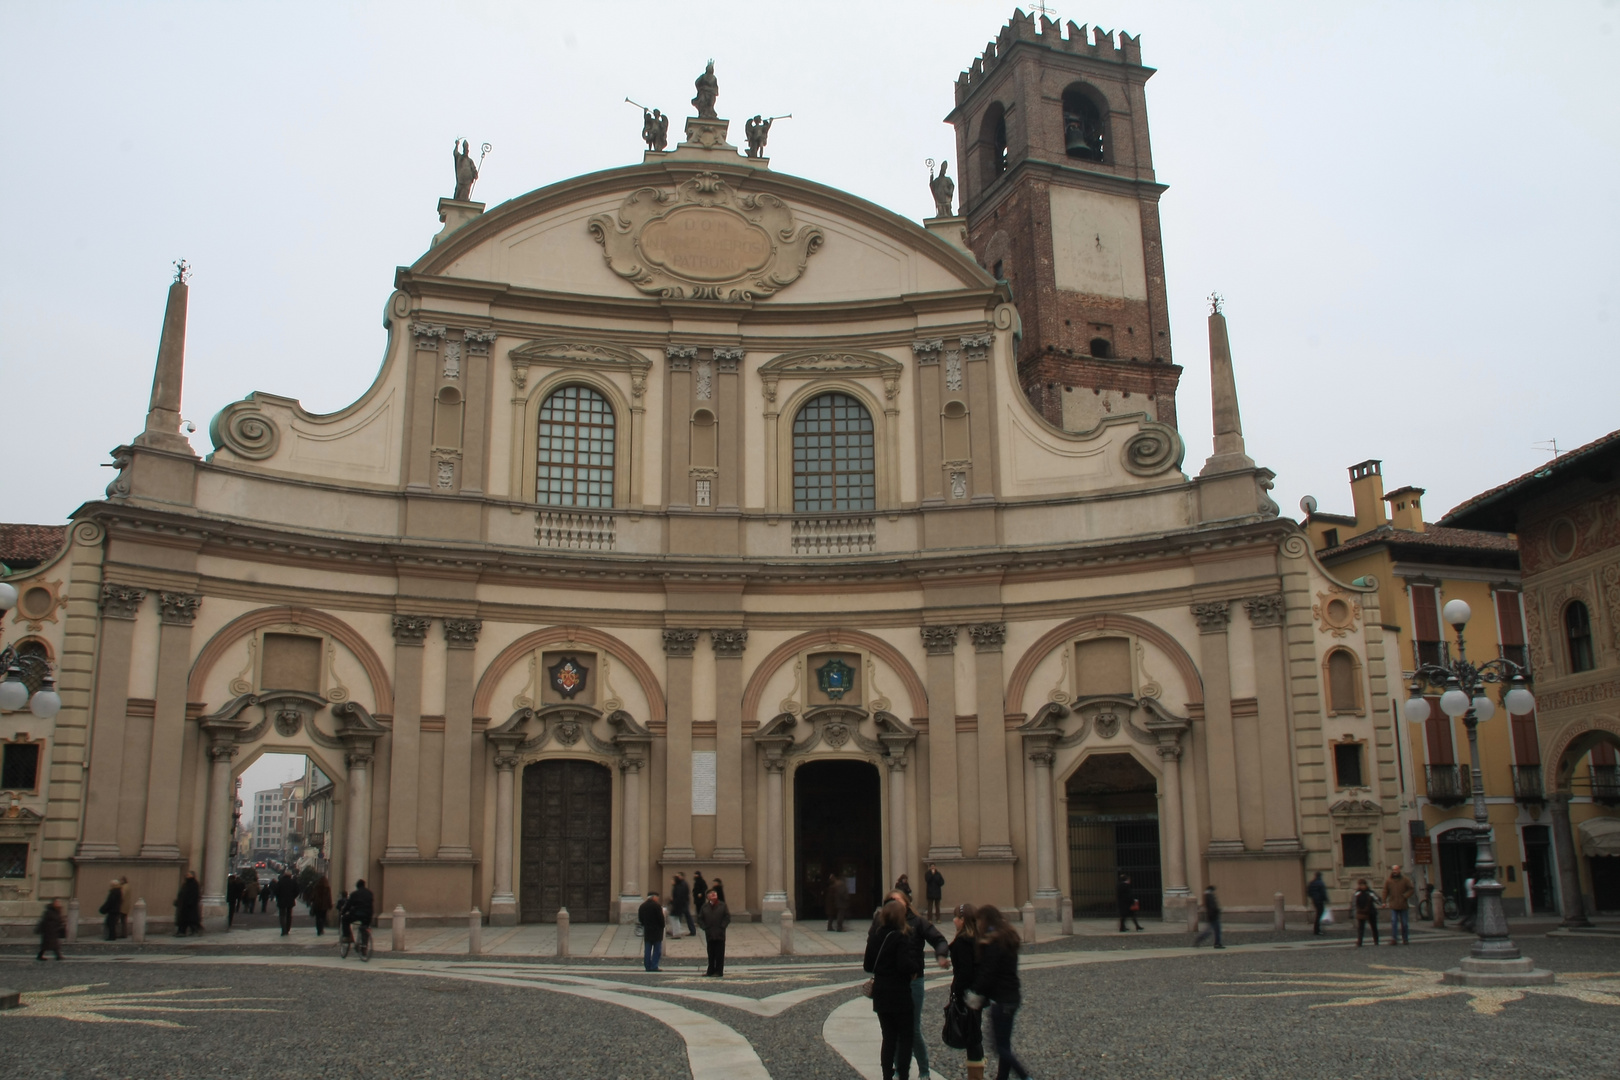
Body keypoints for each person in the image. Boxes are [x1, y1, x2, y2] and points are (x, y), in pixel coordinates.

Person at [887, 888, 950, 1080]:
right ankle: (899, 1069)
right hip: (893, 982)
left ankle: (924, 1071)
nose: (896, 904)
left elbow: (939, 940)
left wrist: (941, 955)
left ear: (907, 902)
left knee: (913, 1028)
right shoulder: (885, 923)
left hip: (914, 981)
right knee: (896, 1029)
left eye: (898, 900)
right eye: (892, 901)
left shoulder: (918, 922)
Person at [965, 905, 1030, 1080]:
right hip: (1012, 996)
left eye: (979, 920)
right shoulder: (1007, 939)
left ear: (985, 920)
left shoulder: (993, 943)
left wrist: (975, 993)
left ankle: (1025, 1077)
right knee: (1003, 1045)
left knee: (1000, 1047)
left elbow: (988, 972)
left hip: (1001, 999)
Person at [865, 899, 920, 1080]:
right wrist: (915, 968)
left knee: (888, 1037)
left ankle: (886, 1075)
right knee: (905, 1037)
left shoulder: (875, 936)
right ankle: (903, 1074)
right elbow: (904, 965)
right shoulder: (899, 937)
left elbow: (868, 965)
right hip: (899, 993)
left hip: (881, 992)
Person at [948, 903, 986, 1080]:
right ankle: (976, 1073)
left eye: (956, 917)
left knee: (972, 1037)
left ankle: (976, 1076)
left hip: (968, 995)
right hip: (978, 993)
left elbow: (964, 972)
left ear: (962, 921)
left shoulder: (963, 943)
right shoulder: (978, 938)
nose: (954, 920)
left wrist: (958, 993)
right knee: (974, 1034)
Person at [697, 888, 729, 977]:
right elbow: (700, 919)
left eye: (715, 893)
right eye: (711, 893)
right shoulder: (705, 907)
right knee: (711, 953)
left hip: (720, 933)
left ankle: (719, 971)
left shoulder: (722, 905)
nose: (714, 894)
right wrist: (704, 927)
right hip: (710, 933)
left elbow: (727, 917)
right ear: (708, 897)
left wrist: (722, 926)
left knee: (719, 953)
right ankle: (710, 970)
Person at [1382, 864, 1415, 945]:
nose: (1395, 871)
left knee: (1404, 923)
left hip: (1403, 904)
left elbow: (1411, 889)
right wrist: (1384, 901)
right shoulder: (1389, 881)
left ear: (1399, 870)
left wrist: (1405, 896)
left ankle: (1405, 939)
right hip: (1393, 904)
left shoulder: (1405, 880)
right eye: (1394, 870)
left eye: (1396, 870)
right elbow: (1385, 891)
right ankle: (1394, 939)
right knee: (1394, 921)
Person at [638, 891, 667, 971]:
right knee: (657, 950)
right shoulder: (657, 906)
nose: (658, 899)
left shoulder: (642, 906)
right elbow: (661, 919)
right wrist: (662, 926)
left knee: (647, 950)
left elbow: (640, 919)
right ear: (654, 897)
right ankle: (654, 966)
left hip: (647, 930)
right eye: (657, 897)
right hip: (657, 930)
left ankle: (647, 966)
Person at [342, 878, 375, 945]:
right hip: (369, 914)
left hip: (358, 913)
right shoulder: (369, 893)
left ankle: (347, 936)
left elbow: (348, 905)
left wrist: (343, 912)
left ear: (357, 886)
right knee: (365, 926)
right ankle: (364, 945)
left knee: (345, 919)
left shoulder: (354, 894)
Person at [1352, 878, 1380, 946]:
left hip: (1371, 912)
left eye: (1363, 885)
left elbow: (1378, 901)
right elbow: (1354, 903)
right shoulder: (1357, 893)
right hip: (1361, 912)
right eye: (1361, 885)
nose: (1362, 886)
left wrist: (1380, 902)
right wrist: (1354, 913)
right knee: (1361, 928)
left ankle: (1376, 941)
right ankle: (1360, 941)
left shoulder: (1370, 892)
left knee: (1374, 927)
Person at [1194, 884, 1223, 948]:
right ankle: (1217, 943)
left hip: (1211, 916)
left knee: (1211, 931)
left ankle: (1200, 939)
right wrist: (1217, 911)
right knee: (1215, 930)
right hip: (1213, 916)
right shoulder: (1210, 896)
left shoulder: (1206, 895)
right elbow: (1213, 906)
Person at [175, 869, 202, 935]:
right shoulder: (186, 884)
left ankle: (184, 931)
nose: (186, 876)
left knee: (189, 920)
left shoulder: (193, 884)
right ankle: (182, 931)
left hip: (189, 905)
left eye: (188, 874)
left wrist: (190, 902)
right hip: (184, 905)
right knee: (186, 919)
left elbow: (194, 895)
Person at [273, 870, 299, 936]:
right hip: (290, 900)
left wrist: (278, 897)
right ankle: (287, 929)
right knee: (289, 915)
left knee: (282, 915)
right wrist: (293, 896)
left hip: (281, 900)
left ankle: (283, 929)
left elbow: (276, 891)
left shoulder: (280, 882)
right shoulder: (293, 882)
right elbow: (297, 891)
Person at [670, 873, 694, 937]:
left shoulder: (681, 885)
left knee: (678, 917)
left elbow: (679, 896)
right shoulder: (681, 885)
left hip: (681, 904)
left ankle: (677, 932)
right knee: (679, 917)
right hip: (683, 903)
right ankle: (678, 931)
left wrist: (674, 902)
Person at [1307, 871, 1330, 935]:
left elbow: (1309, 892)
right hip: (1320, 900)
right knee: (1319, 915)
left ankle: (1316, 929)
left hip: (1315, 900)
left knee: (1318, 914)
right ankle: (1317, 929)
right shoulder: (1320, 883)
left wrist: (1313, 897)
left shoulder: (1312, 883)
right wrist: (1326, 899)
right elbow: (1323, 892)